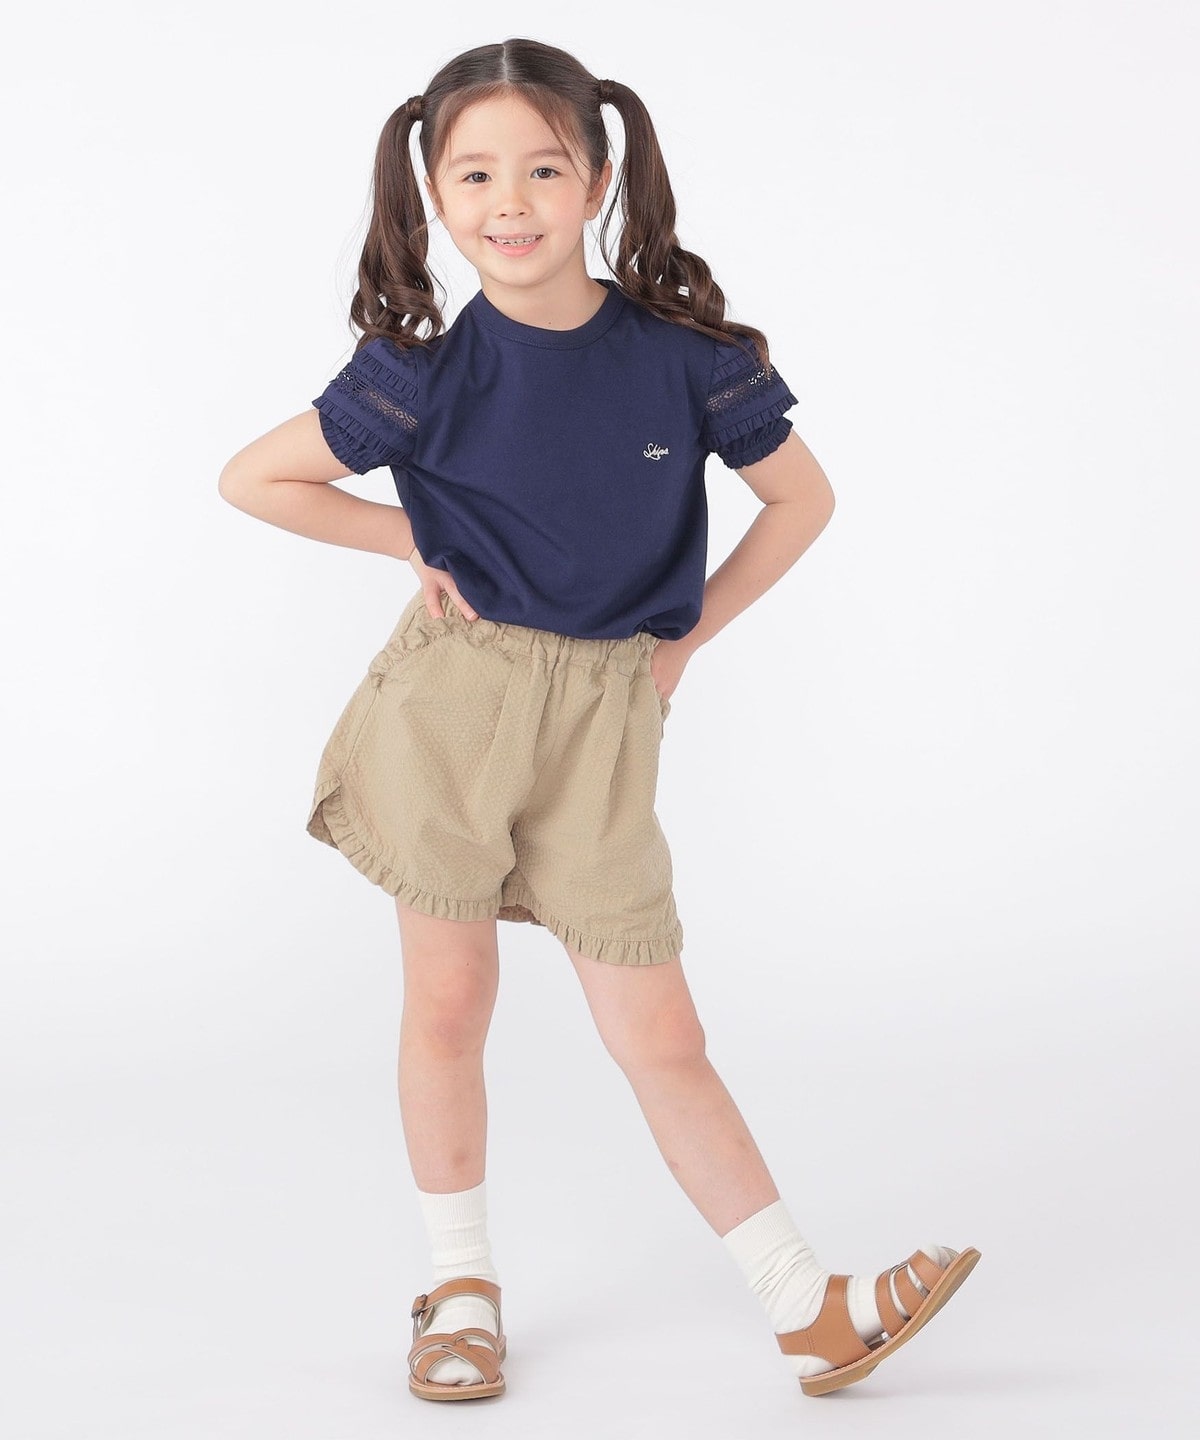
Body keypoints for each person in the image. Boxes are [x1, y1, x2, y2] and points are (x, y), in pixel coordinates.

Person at [218, 35, 980, 1404]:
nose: (509, 202)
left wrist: (684, 639)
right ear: (435, 194)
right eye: (475, 174)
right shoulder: (418, 372)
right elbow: (254, 478)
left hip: (607, 724)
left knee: (659, 1029)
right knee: (449, 1002)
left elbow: (802, 500)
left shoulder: (685, 361)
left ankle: (805, 1306)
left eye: (543, 169)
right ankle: (459, 1288)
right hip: (450, 712)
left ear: (599, 179)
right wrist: (411, 539)